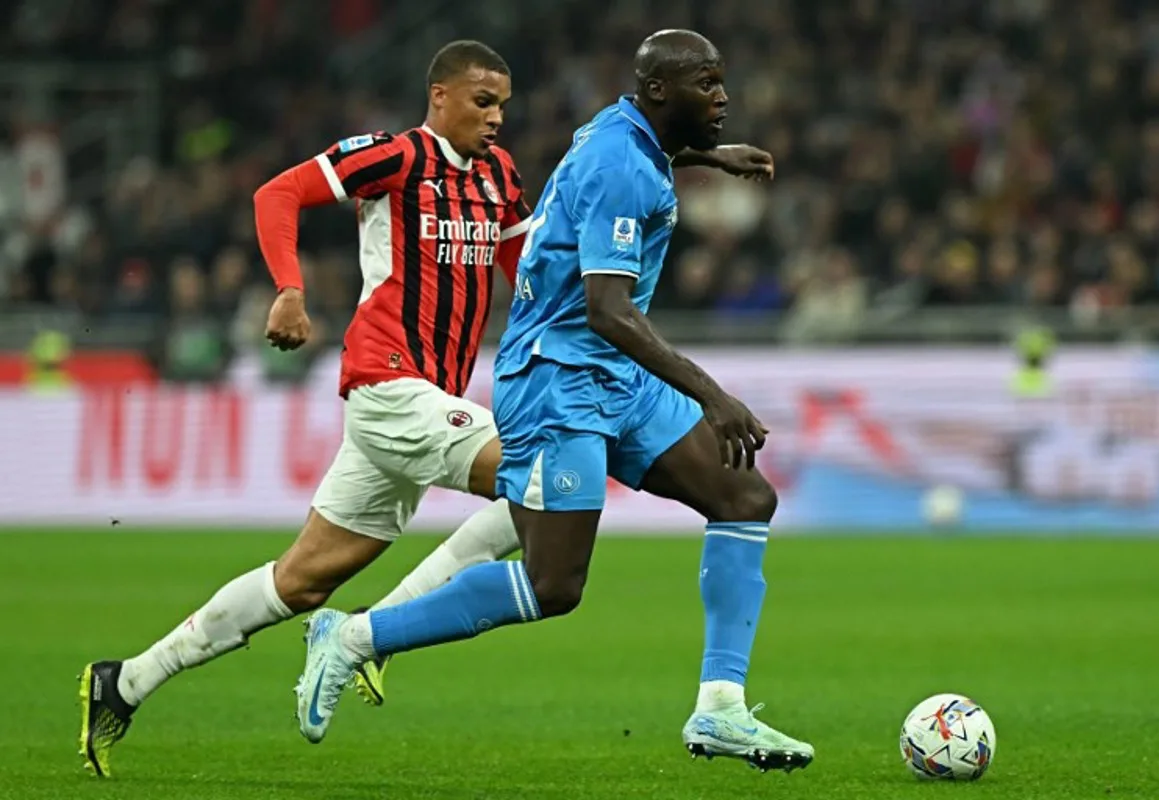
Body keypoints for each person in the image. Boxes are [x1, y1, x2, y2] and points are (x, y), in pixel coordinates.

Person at [78, 38, 774, 778]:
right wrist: (289, 286)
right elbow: (276, 194)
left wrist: (688, 162)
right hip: (388, 386)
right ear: (439, 96)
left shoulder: (498, 179)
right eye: (482, 101)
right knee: (546, 474)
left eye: (504, 103)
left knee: (302, 580)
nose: (497, 117)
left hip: (433, 397)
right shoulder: (393, 158)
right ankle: (368, 637)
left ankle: (126, 679)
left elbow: (539, 255)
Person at [294, 30, 814, 773]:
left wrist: (705, 155)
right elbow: (608, 308)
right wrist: (713, 395)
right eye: (707, 84)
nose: (723, 97)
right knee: (554, 585)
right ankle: (351, 638)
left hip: (610, 371)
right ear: (663, 92)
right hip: (556, 376)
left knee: (743, 496)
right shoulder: (622, 170)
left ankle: (721, 710)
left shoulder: (623, 127)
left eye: (722, 81)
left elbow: (621, 148)